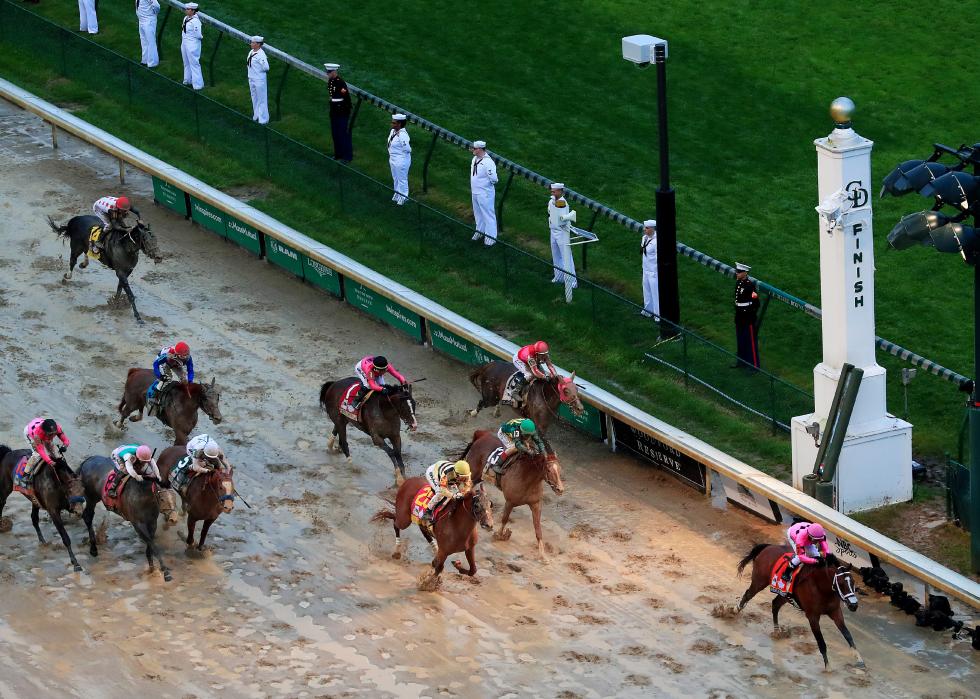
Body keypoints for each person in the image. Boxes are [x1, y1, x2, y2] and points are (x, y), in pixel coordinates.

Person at [503, 340, 558, 405]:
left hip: (534, 360)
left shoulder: (544, 354)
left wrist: (555, 375)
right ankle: (515, 391)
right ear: (537, 354)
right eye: (542, 355)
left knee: (544, 374)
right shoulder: (530, 357)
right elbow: (535, 371)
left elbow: (550, 366)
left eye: (545, 355)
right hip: (520, 360)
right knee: (529, 375)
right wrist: (545, 376)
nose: (544, 357)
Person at [148, 341, 194, 415]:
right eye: (183, 356)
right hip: (164, 362)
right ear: (176, 354)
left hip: (176, 363)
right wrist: (160, 376)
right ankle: (154, 397)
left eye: (187, 355)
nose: (185, 358)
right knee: (167, 379)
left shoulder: (188, 358)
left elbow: (190, 370)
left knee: (184, 380)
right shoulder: (168, 355)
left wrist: (190, 381)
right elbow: (155, 364)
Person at [90, 195, 140, 259]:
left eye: (127, 210)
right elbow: (115, 225)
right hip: (98, 208)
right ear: (119, 208)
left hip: (106, 201)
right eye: (124, 210)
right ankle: (98, 241)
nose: (127, 212)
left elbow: (136, 211)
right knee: (109, 225)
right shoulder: (112, 210)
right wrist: (125, 230)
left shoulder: (124, 204)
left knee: (121, 219)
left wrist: (140, 218)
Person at [548, 183, 577, 287]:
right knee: (556, 255)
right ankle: (559, 277)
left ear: (560, 191)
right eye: (552, 191)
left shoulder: (562, 202)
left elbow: (560, 217)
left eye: (554, 191)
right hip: (553, 231)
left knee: (566, 257)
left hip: (561, 232)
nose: (552, 192)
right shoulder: (552, 201)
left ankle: (573, 282)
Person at [469, 140, 498, 246]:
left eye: (474, 148)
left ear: (480, 149)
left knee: (488, 215)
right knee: (478, 214)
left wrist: (484, 185)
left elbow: (494, 179)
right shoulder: (474, 159)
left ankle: (491, 239)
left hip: (484, 193)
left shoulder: (488, 162)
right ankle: (480, 232)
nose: (472, 150)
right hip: (475, 191)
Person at [733, 262, 761, 369]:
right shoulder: (739, 283)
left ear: (745, 273)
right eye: (737, 271)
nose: (737, 273)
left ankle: (754, 365)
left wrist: (750, 315)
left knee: (750, 342)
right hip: (739, 315)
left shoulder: (749, 285)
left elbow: (756, 303)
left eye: (739, 272)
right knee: (740, 340)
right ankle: (741, 362)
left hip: (747, 317)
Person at [324, 63, 353, 163]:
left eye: (329, 72)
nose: (327, 74)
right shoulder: (331, 81)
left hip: (342, 112)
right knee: (335, 133)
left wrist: (343, 109)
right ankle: (338, 154)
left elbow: (345, 98)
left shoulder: (340, 83)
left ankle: (347, 156)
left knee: (343, 134)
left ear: (334, 72)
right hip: (334, 112)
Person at [387, 114, 411, 205]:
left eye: (394, 123)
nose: (391, 124)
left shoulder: (403, 135)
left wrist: (400, 154)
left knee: (402, 179)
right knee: (395, 178)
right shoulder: (393, 131)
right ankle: (397, 194)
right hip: (393, 158)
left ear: (399, 124)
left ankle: (404, 197)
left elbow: (408, 149)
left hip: (401, 160)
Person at [246, 36, 270, 125]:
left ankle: (263, 119)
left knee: (261, 99)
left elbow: (266, 68)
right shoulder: (251, 52)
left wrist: (258, 72)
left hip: (259, 80)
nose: (251, 44)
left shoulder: (261, 55)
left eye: (253, 42)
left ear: (258, 44)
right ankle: (256, 115)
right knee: (254, 97)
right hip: (251, 78)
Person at [180, 3, 204, 91]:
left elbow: (198, 35)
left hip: (192, 45)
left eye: (188, 9)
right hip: (185, 42)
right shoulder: (186, 18)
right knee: (186, 62)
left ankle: (198, 85)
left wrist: (199, 38)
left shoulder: (196, 21)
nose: (186, 10)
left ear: (193, 11)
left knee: (194, 64)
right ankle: (187, 80)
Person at [640, 219, 659, 319]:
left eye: (647, 228)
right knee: (646, 291)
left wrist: (656, 271)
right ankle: (648, 311)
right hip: (646, 269)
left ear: (653, 229)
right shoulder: (644, 238)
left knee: (655, 294)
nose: (644, 230)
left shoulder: (657, 242)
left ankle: (658, 316)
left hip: (654, 272)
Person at [136, 0, 161, 68]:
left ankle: (153, 63)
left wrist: (153, 14)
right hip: (141, 19)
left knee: (150, 42)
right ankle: (145, 60)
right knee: (143, 41)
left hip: (148, 20)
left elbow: (156, 5)